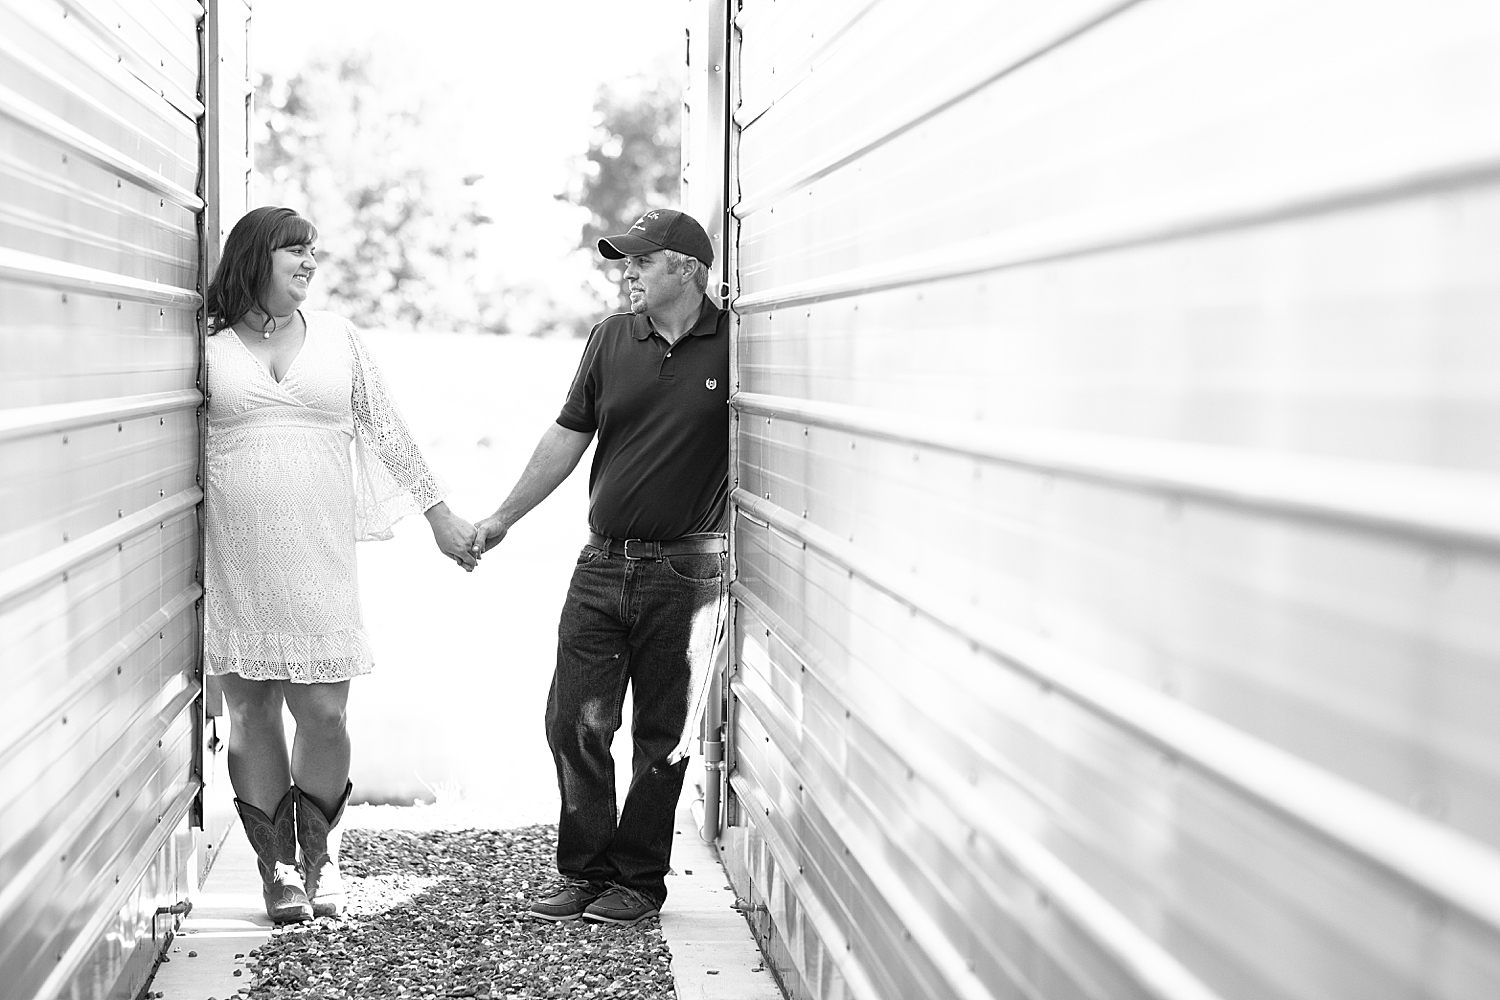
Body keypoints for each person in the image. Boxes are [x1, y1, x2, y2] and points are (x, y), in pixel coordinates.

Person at [203, 206, 478, 923]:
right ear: (254, 257)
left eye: (313, 254)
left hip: (318, 555)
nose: (308, 264)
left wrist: (439, 514)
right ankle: (281, 869)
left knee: (323, 712)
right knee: (251, 712)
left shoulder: (338, 340)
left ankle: (317, 852)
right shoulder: (205, 345)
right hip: (235, 554)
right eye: (294, 251)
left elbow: (388, 429)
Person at [471, 209, 729, 926]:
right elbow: (567, 436)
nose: (628, 272)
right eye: (625, 261)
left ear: (686, 268)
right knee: (573, 720)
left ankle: (638, 885)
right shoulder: (611, 338)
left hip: (687, 572)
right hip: (601, 564)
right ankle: (584, 872)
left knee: (662, 735)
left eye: (642, 261)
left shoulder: (735, 346)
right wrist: (500, 519)